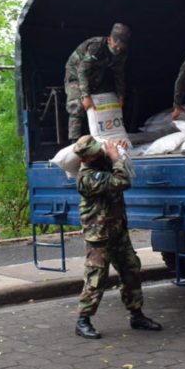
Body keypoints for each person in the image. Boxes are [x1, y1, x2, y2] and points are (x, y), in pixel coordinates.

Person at [72, 135, 162, 339]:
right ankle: (83, 320)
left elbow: (114, 164)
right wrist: (116, 159)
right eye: (96, 152)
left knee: (131, 268)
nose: (100, 152)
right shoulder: (87, 177)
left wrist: (119, 152)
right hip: (99, 234)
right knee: (97, 277)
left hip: (116, 229)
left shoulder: (100, 163)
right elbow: (121, 181)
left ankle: (136, 314)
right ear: (87, 158)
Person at [64, 23, 131, 142]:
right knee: (77, 105)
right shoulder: (96, 46)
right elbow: (82, 71)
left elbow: (119, 74)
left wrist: (121, 95)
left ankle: (102, 139)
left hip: (96, 75)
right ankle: (74, 143)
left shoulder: (121, 52)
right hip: (76, 73)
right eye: (117, 45)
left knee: (107, 99)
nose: (119, 49)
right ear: (110, 39)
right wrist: (85, 95)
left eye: (122, 46)